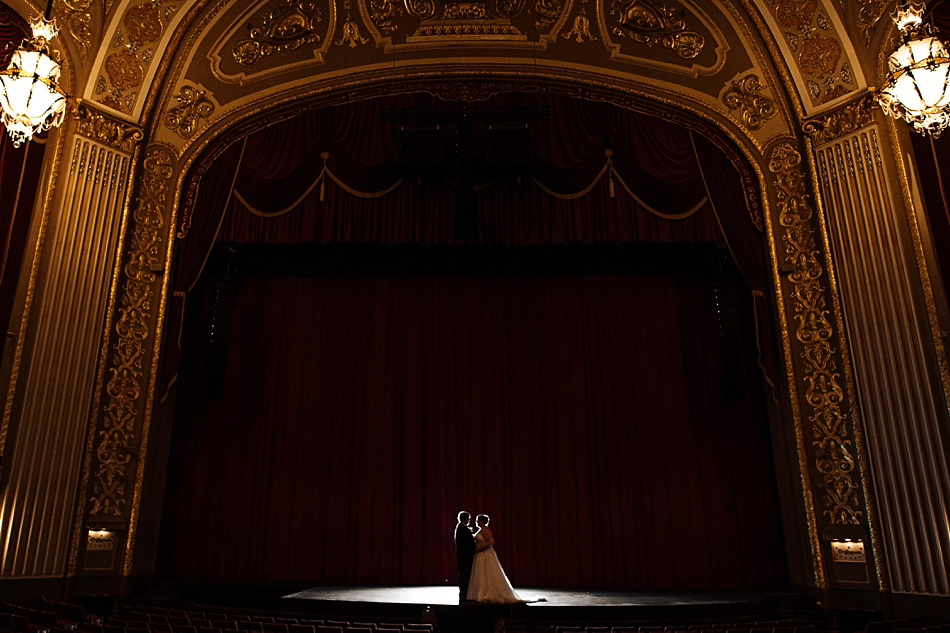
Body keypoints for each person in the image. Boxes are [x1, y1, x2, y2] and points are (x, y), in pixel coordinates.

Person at [466, 514, 524, 604]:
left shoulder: (485, 530)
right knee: (481, 574)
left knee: (487, 573)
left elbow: (491, 541)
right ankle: (481, 593)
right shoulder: (480, 530)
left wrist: (479, 548)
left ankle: (486, 593)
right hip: (480, 555)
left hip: (485, 554)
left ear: (481, 521)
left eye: (477, 520)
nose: (476, 522)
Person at [454, 511, 476, 603]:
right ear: (465, 519)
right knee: (464, 575)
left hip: (463, 556)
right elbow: (467, 543)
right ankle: (464, 593)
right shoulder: (463, 529)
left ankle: (465, 592)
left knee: (464, 575)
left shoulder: (461, 528)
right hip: (464, 557)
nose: (469, 521)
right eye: (469, 519)